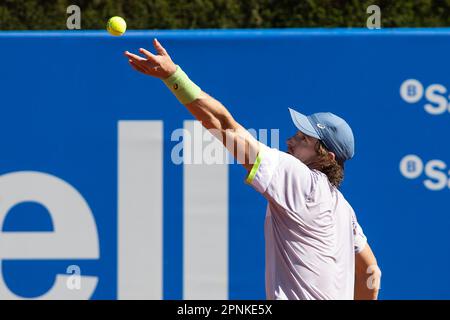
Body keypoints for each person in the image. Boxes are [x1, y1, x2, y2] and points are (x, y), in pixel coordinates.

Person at [124, 38, 381, 300]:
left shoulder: (302, 182)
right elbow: (371, 272)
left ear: (326, 156)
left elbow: (225, 127)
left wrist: (174, 77)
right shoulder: (344, 210)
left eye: (303, 139)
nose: (290, 142)